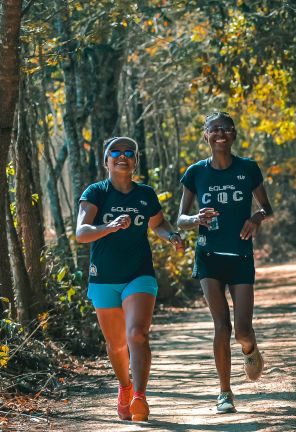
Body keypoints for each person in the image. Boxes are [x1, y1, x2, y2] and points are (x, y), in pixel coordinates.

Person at [76, 136, 184, 421]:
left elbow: (158, 223)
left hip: (139, 273)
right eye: (116, 151)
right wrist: (109, 226)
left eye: (129, 152)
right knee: (117, 344)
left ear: (135, 161)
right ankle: (124, 388)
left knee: (137, 334)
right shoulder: (96, 192)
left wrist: (171, 235)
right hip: (104, 277)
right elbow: (81, 232)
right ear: (106, 160)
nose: (122, 156)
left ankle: (139, 397)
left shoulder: (145, 194)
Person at [177, 111, 273, 413]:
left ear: (233, 135)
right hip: (208, 256)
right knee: (222, 326)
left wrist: (255, 219)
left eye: (226, 129)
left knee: (243, 330)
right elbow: (180, 218)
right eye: (214, 129)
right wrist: (196, 218)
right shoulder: (196, 172)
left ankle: (250, 349)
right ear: (205, 135)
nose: (220, 134)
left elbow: (266, 208)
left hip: (241, 255)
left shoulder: (248, 169)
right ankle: (224, 392)